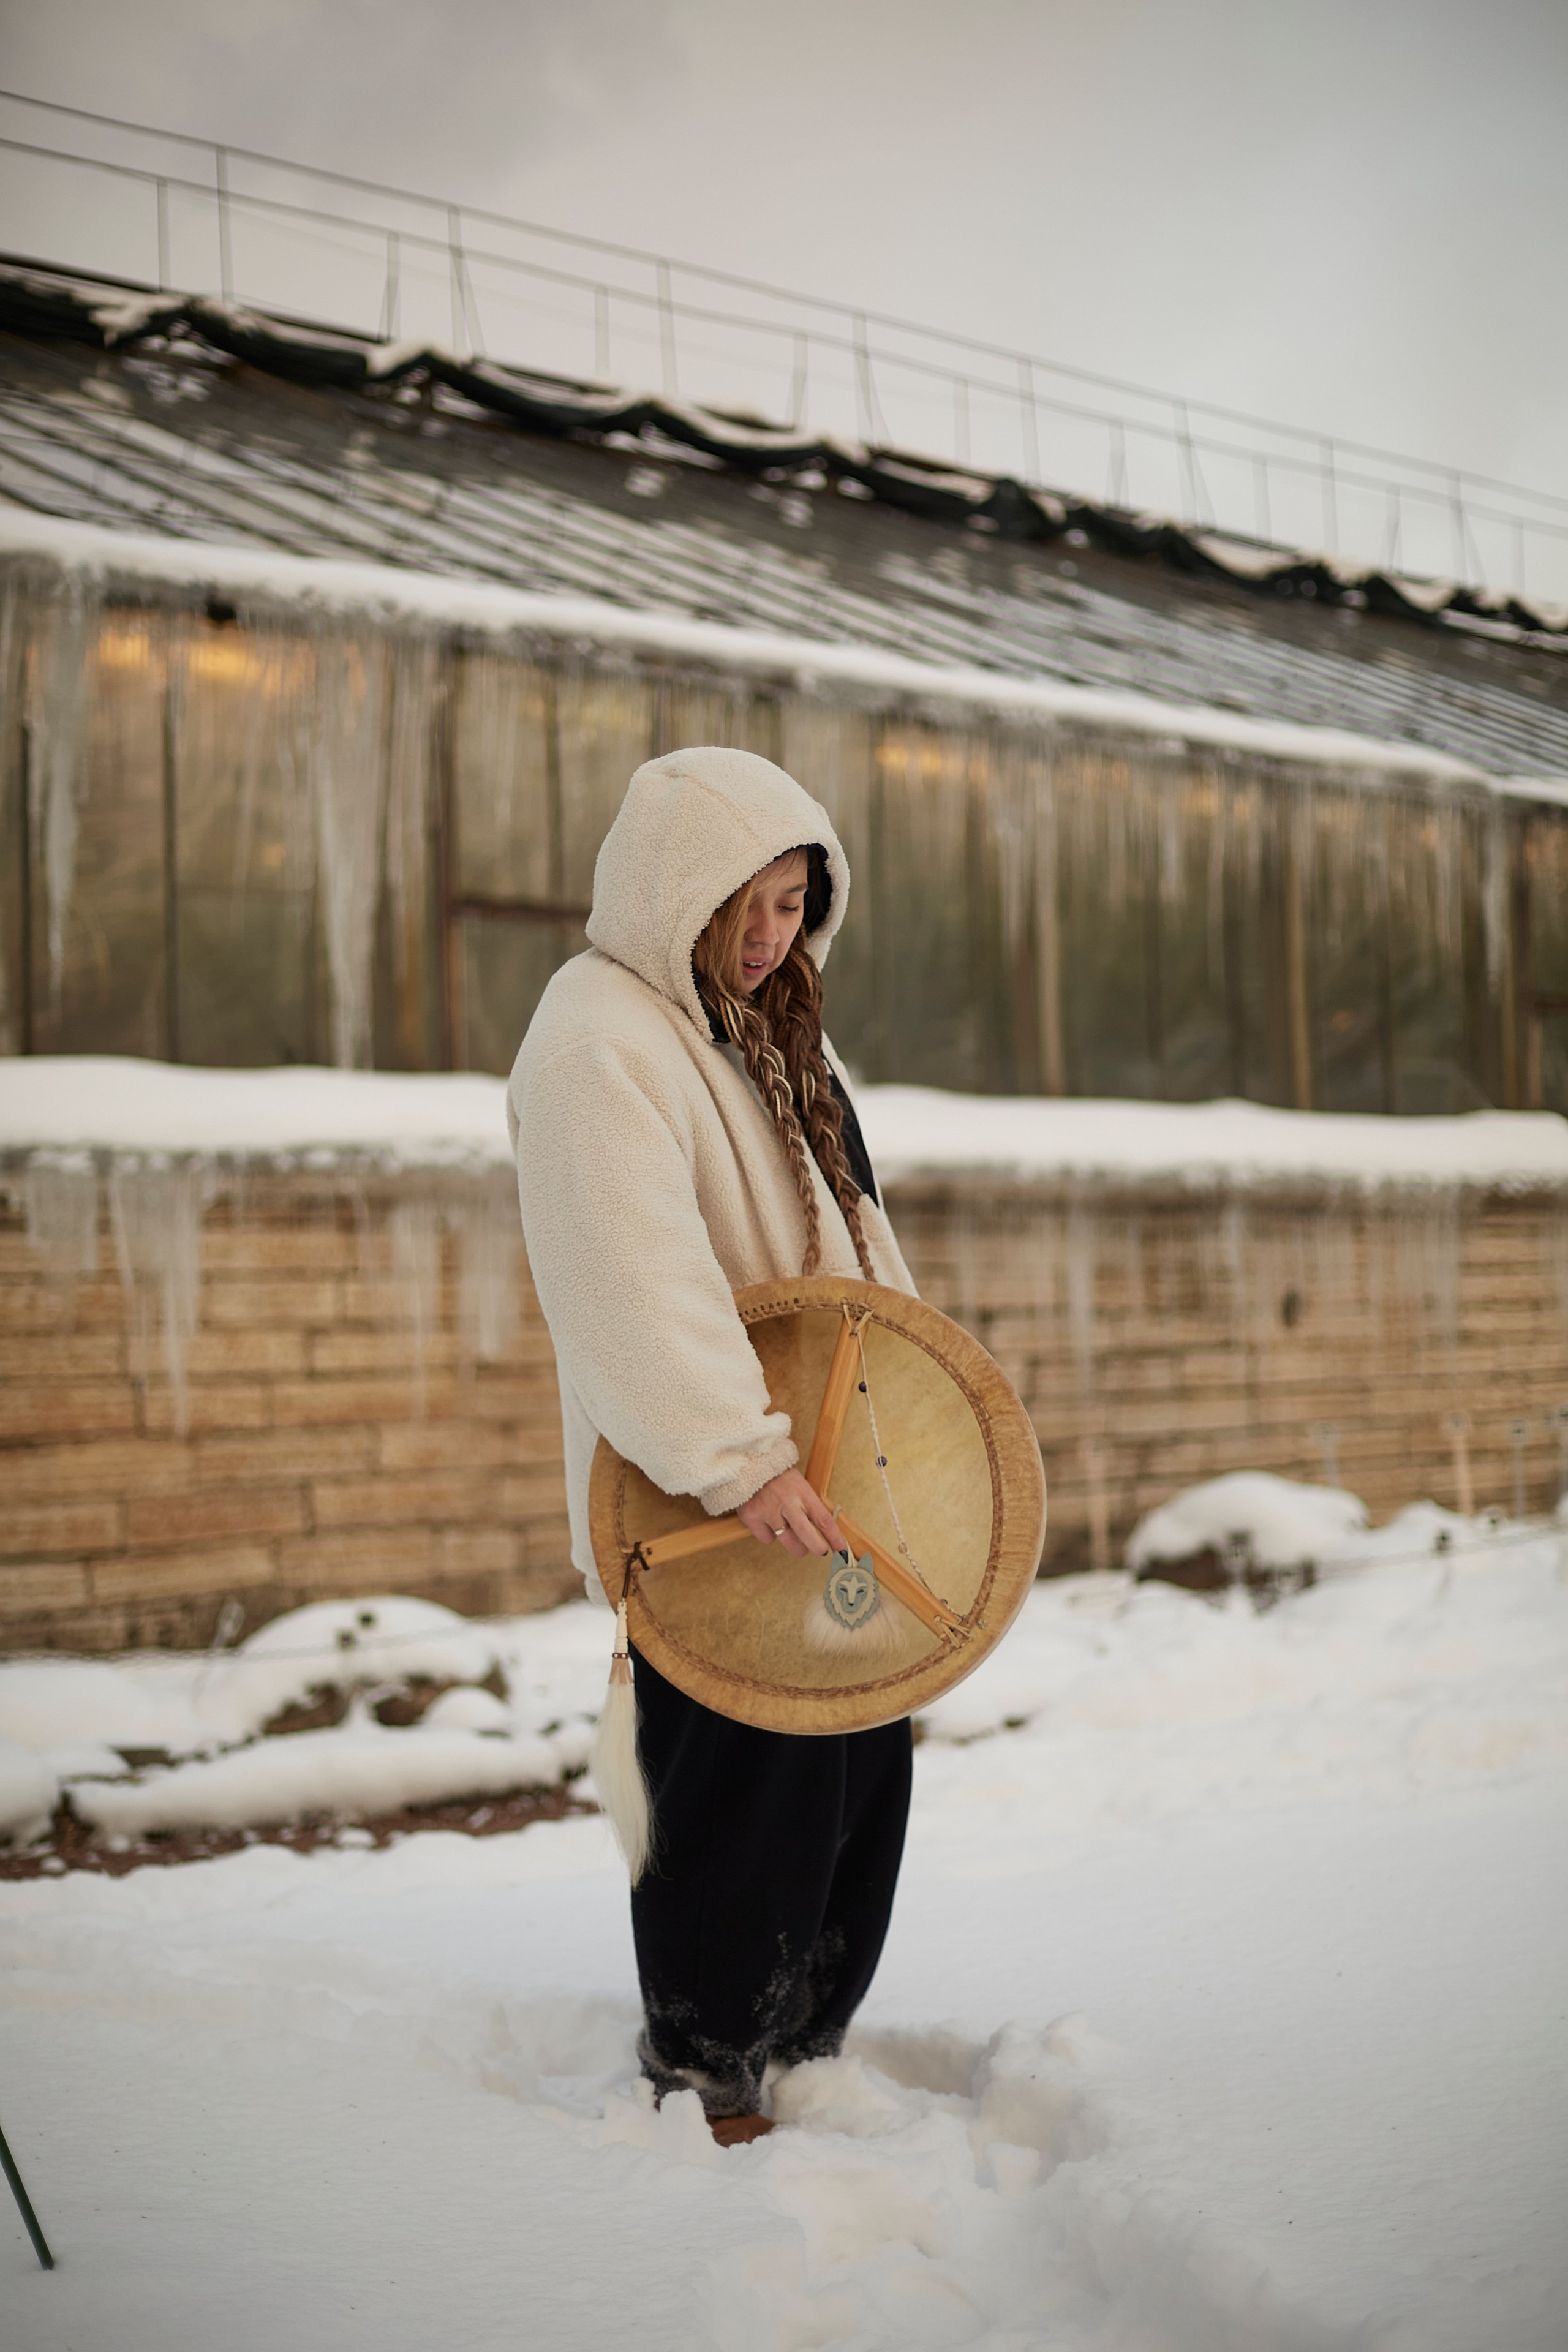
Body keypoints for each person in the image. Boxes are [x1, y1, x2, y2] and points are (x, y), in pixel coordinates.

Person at [507, 744, 916, 2144]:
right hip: (706, 1497)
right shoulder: (597, 1041)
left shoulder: (774, 1032)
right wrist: (739, 1458)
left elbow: (857, 1237)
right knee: (741, 1784)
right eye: (740, 905)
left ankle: (804, 2042)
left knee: (852, 1767)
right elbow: (629, 1276)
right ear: (663, 888)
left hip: (827, 1478)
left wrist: (907, 1427)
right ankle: (707, 2073)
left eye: (792, 904)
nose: (765, 936)